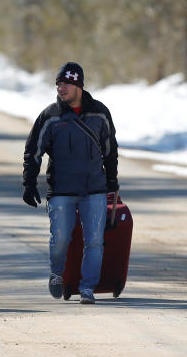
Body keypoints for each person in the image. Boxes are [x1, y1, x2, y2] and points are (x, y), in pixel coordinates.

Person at [22, 61, 119, 305]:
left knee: (95, 240)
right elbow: (33, 150)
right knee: (61, 238)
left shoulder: (99, 113)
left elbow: (110, 150)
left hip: (94, 189)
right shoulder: (50, 116)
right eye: (58, 84)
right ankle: (57, 273)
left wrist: (112, 182)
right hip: (61, 190)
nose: (61, 89)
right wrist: (29, 183)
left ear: (79, 86)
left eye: (66, 84)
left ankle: (87, 288)